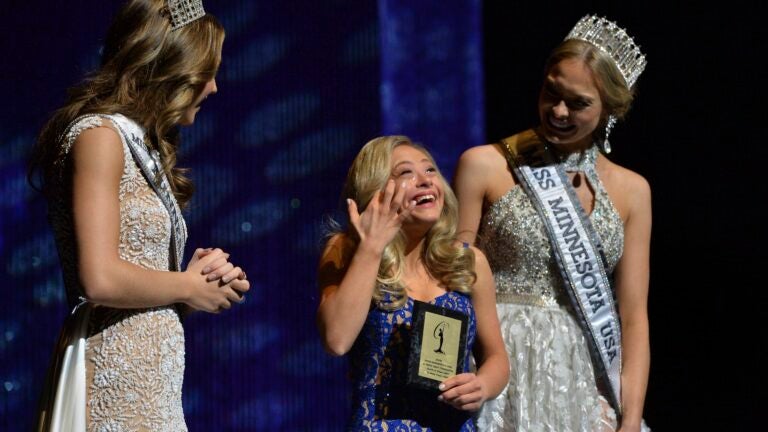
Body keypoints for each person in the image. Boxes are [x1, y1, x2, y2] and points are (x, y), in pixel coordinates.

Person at [28, 1, 249, 430]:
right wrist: (188, 286)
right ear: (172, 66)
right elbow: (99, 279)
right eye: (207, 71)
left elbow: (138, 286)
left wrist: (200, 283)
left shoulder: (139, 145)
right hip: (113, 386)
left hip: (152, 389)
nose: (214, 87)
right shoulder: (99, 136)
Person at [453, 15, 651, 432]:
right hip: (496, 369)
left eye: (578, 103)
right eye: (551, 92)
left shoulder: (633, 192)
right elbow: (452, 282)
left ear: (610, 108)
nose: (558, 111)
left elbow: (633, 315)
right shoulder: (484, 165)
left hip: (583, 381)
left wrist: (631, 418)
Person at [317, 136, 509, 431]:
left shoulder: (467, 261)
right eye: (406, 173)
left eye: (430, 170)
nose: (425, 180)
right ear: (377, 190)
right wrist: (372, 248)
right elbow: (336, 340)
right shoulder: (346, 249)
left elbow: (496, 357)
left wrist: (481, 386)